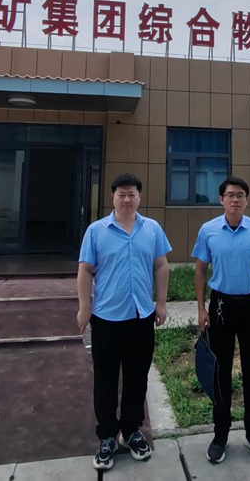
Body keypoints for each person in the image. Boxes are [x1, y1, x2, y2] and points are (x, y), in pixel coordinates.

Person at [77, 173, 172, 471]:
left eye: (132, 194)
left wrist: (161, 302)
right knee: (105, 380)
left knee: (136, 379)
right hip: (106, 319)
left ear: (139, 197)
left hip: (141, 318)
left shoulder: (152, 229)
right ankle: (107, 436)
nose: (127, 199)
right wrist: (84, 307)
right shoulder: (96, 231)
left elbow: (161, 265)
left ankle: (131, 431)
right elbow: (85, 270)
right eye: (121, 194)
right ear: (113, 197)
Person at [192, 176, 250, 465]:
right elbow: (200, 270)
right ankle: (220, 435)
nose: (235, 199)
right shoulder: (208, 230)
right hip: (220, 306)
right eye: (230, 195)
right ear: (221, 199)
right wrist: (201, 309)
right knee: (221, 373)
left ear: (246, 200)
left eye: (240, 195)